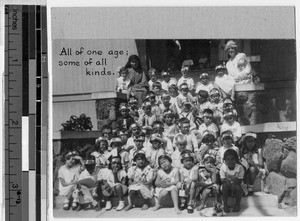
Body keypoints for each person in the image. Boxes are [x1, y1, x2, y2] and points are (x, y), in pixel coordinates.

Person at [220, 149, 244, 213]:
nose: (230, 161)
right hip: (227, 185)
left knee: (237, 187)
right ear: (225, 160)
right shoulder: (223, 167)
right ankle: (225, 204)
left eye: (232, 159)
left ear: (236, 159)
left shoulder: (240, 167)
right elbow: (222, 180)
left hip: (237, 185)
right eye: (228, 159)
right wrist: (231, 182)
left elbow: (239, 181)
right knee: (225, 186)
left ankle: (237, 204)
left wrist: (232, 183)